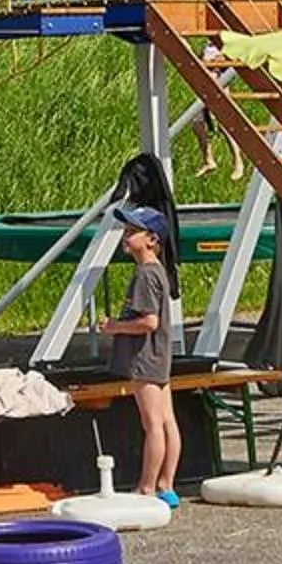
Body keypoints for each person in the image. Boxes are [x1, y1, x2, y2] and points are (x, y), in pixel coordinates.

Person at [102, 204, 182, 507]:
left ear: (152, 239)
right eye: (126, 230)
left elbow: (149, 322)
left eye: (133, 231)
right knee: (167, 421)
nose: (126, 236)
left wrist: (115, 327)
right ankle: (166, 486)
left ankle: (147, 488)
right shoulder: (157, 271)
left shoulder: (145, 275)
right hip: (159, 357)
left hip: (145, 358)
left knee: (152, 425)